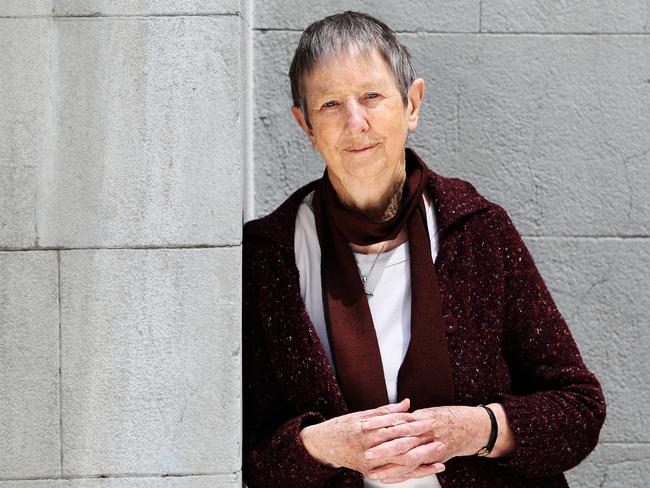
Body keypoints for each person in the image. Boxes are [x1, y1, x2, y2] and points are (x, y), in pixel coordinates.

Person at [242, 10, 606, 488]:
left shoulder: (476, 231)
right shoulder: (270, 255)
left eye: (372, 96)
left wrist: (478, 429)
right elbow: (245, 450)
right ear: (305, 125)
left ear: (412, 104)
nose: (356, 122)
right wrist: (322, 447)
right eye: (330, 104)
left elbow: (578, 409)